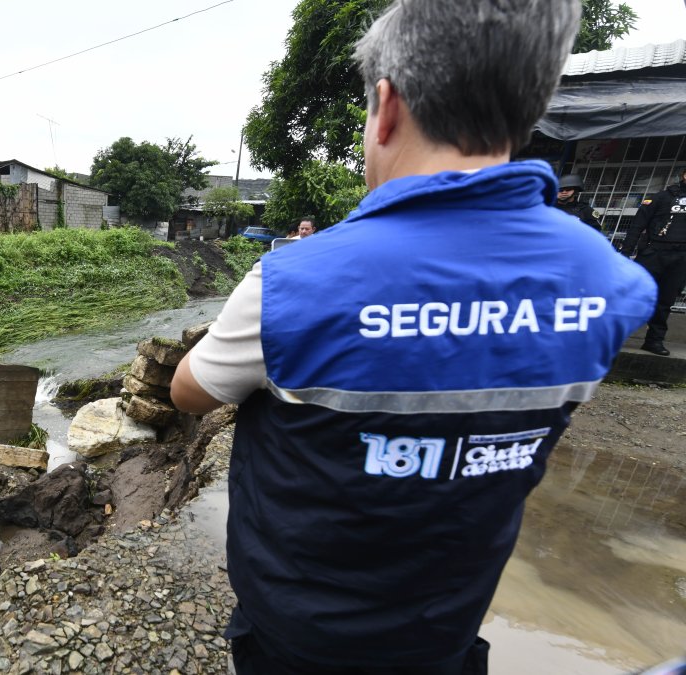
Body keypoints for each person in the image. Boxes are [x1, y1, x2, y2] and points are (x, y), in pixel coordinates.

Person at [169, 1, 657, 672]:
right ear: (532, 106)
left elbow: (189, 392)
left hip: (295, 637)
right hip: (443, 634)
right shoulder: (612, 283)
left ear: (387, 106)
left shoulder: (291, 280)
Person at [621, 167, 686, 356]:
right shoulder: (661, 197)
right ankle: (613, 335)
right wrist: (625, 253)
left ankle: (654, 340)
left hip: (681, 257)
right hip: (653, 253)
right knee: (633, 295)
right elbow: (637, 226)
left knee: (665, 301)